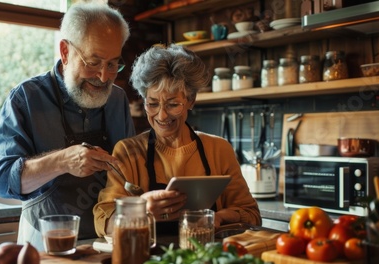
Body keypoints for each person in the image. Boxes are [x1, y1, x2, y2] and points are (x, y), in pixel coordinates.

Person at [0, 2, 136, 251]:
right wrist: (63, 161)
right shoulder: (25, 98)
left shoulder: (118, 99)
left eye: (112, 64)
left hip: (107, 241)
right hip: (44, 243)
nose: (103, 77)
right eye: (93, 62)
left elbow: (131, 169)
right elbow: (3, 182)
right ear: (66, 52)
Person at [93, 44, 261, 237]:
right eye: (152, 104)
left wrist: (218, 218)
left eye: (173, 104)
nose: (162, 116)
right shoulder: (128, 151)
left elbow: (252, 215)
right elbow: (102, 221)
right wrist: (141, 212)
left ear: (191, 100)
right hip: (150, 262)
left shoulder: (219, 149)